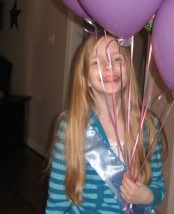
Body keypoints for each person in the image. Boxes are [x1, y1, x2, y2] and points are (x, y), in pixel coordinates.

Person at [46, 32, 166, 213]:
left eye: (117, 59)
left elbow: (158, 186)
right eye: (96, 62)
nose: (109, 66)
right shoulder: (71, 127)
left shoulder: (148, 125)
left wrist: (146, 195)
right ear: (85, 78)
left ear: (128, 70)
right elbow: (56, 202)